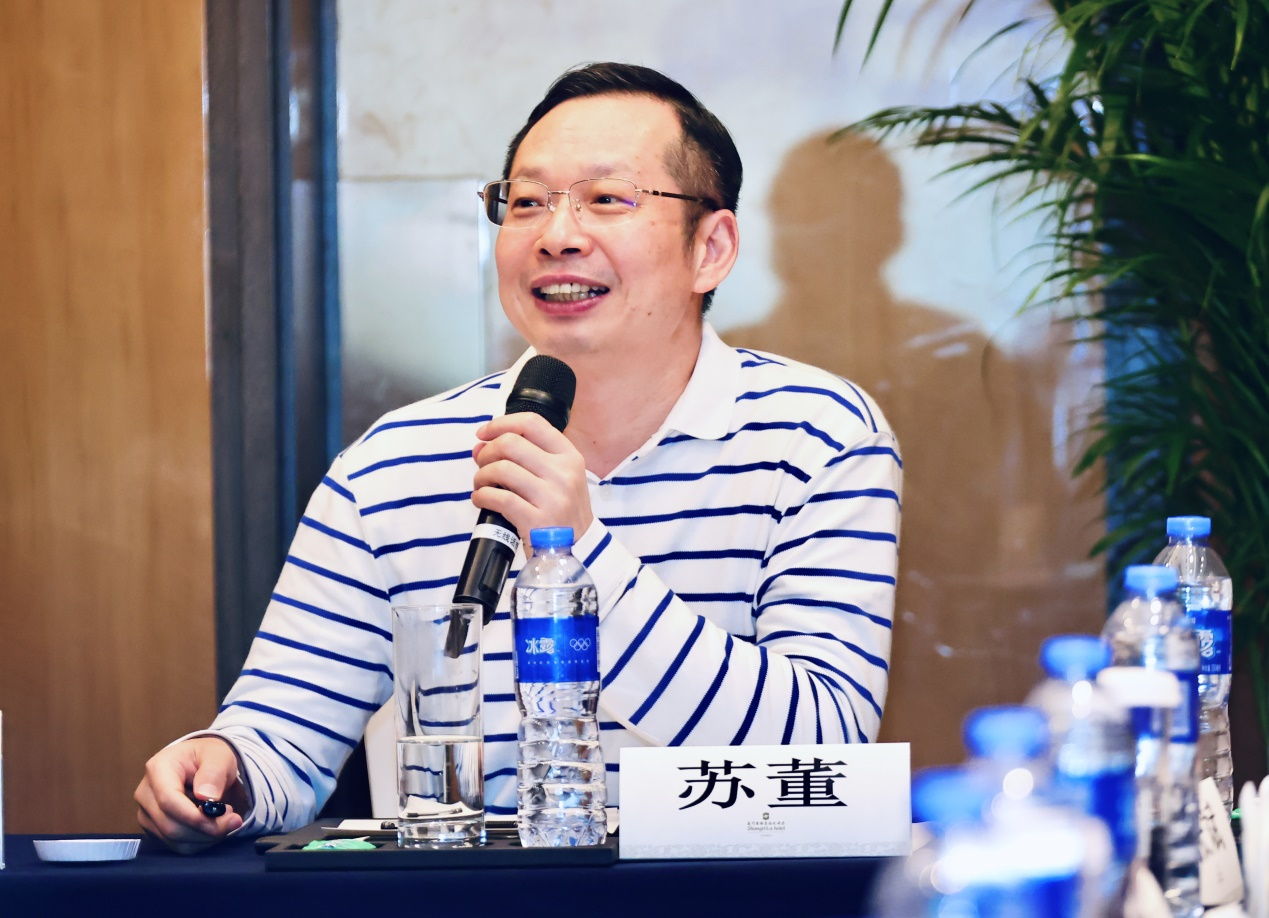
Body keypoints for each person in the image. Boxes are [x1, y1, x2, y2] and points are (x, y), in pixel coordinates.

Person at [135, 62, 902, 853]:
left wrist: (580, 552)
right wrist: (222, 768)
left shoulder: (815, 436)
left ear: (710, 247)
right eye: (527, 202)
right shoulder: (391, 465)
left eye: (607, 199)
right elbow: (281, 736)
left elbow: (824, 750)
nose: (556, 235)